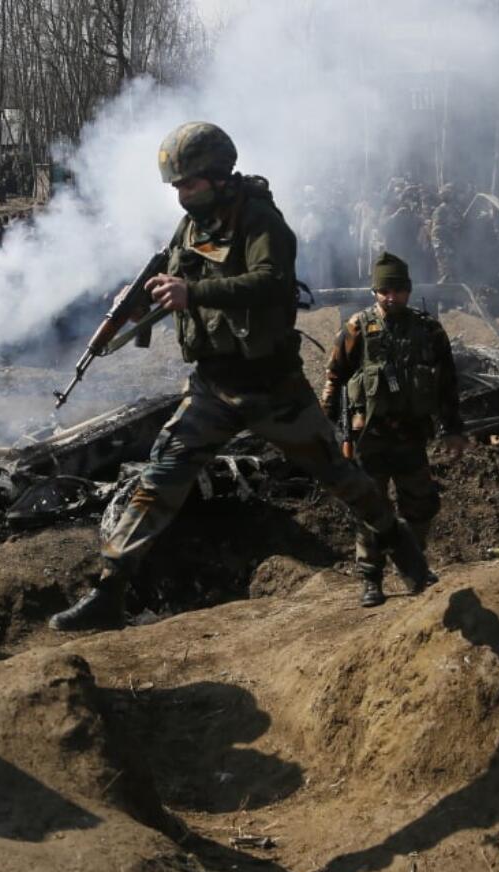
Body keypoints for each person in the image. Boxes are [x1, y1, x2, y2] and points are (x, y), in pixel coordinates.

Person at [47, 122, 430, 632]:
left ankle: (399, 542)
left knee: (340, 478)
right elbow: (176, 276)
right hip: (213, 385)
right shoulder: (189, 228)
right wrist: (137, 296)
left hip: (272, 387)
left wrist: (193, 293)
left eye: (189, 185)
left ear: (218, 176)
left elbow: (271, 283)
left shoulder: (261, 221)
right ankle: (108, 590)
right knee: (160, 475)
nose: (181, 196)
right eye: (177, 187)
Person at [321, 252, 464, 606]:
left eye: (398, 290)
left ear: (409, 291)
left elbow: (447, 384)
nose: (391, 297)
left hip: (411, 437)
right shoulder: (358, 328)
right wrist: (329, 432)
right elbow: (334, 379)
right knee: (371, 510)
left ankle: (413, 566)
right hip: (369, 439)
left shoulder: (429, 330)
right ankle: (371, 577)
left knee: (421, 507)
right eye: (385, 290)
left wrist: (454, 428)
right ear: (374, 291)